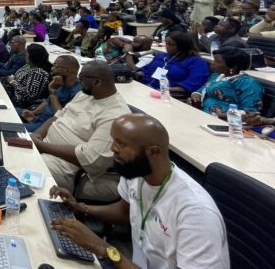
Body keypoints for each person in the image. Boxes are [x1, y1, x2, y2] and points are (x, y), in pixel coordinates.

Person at [49, 114, 230, 269]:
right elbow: (124, 211)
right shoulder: (137, 172)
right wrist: (81, 208)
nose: (112, 148)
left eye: (121, 144)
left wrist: (103, 249)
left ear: (153, 152)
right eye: (113, 140)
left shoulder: (196, 213)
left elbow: (107, 248)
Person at [30, 61, 131, 201]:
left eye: (82, 77)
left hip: (63, 166)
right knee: (6, 147)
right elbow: (58, 115)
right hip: (41, 145)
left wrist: (41, 146)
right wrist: (38, 134)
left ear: (97, 82)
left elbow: (90, 159)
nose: (78, 80)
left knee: (19, 168)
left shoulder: (115, 116)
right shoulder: (84, 94)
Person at [190, 47, 263, 118]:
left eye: (217, 61)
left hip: (225, 122)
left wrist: (218, 115)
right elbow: (203, 89)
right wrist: (196, 96)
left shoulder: (248, 84)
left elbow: (250, 113)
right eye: (213, 60)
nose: (212, 63)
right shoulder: (217, 75)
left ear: (233, 67)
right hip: (202, 115)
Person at [22, 55, 82, 132]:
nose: (52, 68)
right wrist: (33, 113)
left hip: (45, 127)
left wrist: (52, 90)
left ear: (66, 71)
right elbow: (47, 101)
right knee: (11, 111)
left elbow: (61, 116)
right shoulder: (61, 82)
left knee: (10, 126)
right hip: (38, 119)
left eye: (55, 66)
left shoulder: (77, 92)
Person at [137, 32, 210, 96]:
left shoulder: (196, 62)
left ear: (182, 46)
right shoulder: (161, 56)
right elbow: (146, 70)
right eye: (166, 43)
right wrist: (136, 73)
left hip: (168, 93)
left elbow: (193, 84)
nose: (167, 46)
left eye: (171, 45)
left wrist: (164, 90)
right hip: (144, 86)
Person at [3, 43, 52, 109]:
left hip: (18, 102)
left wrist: (13, 82)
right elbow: (17, 76)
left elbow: (29, 95)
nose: (25, 55)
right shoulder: (28, 65)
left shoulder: (38, 73)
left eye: (26, 53)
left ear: (32, 57)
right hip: (11, 93)